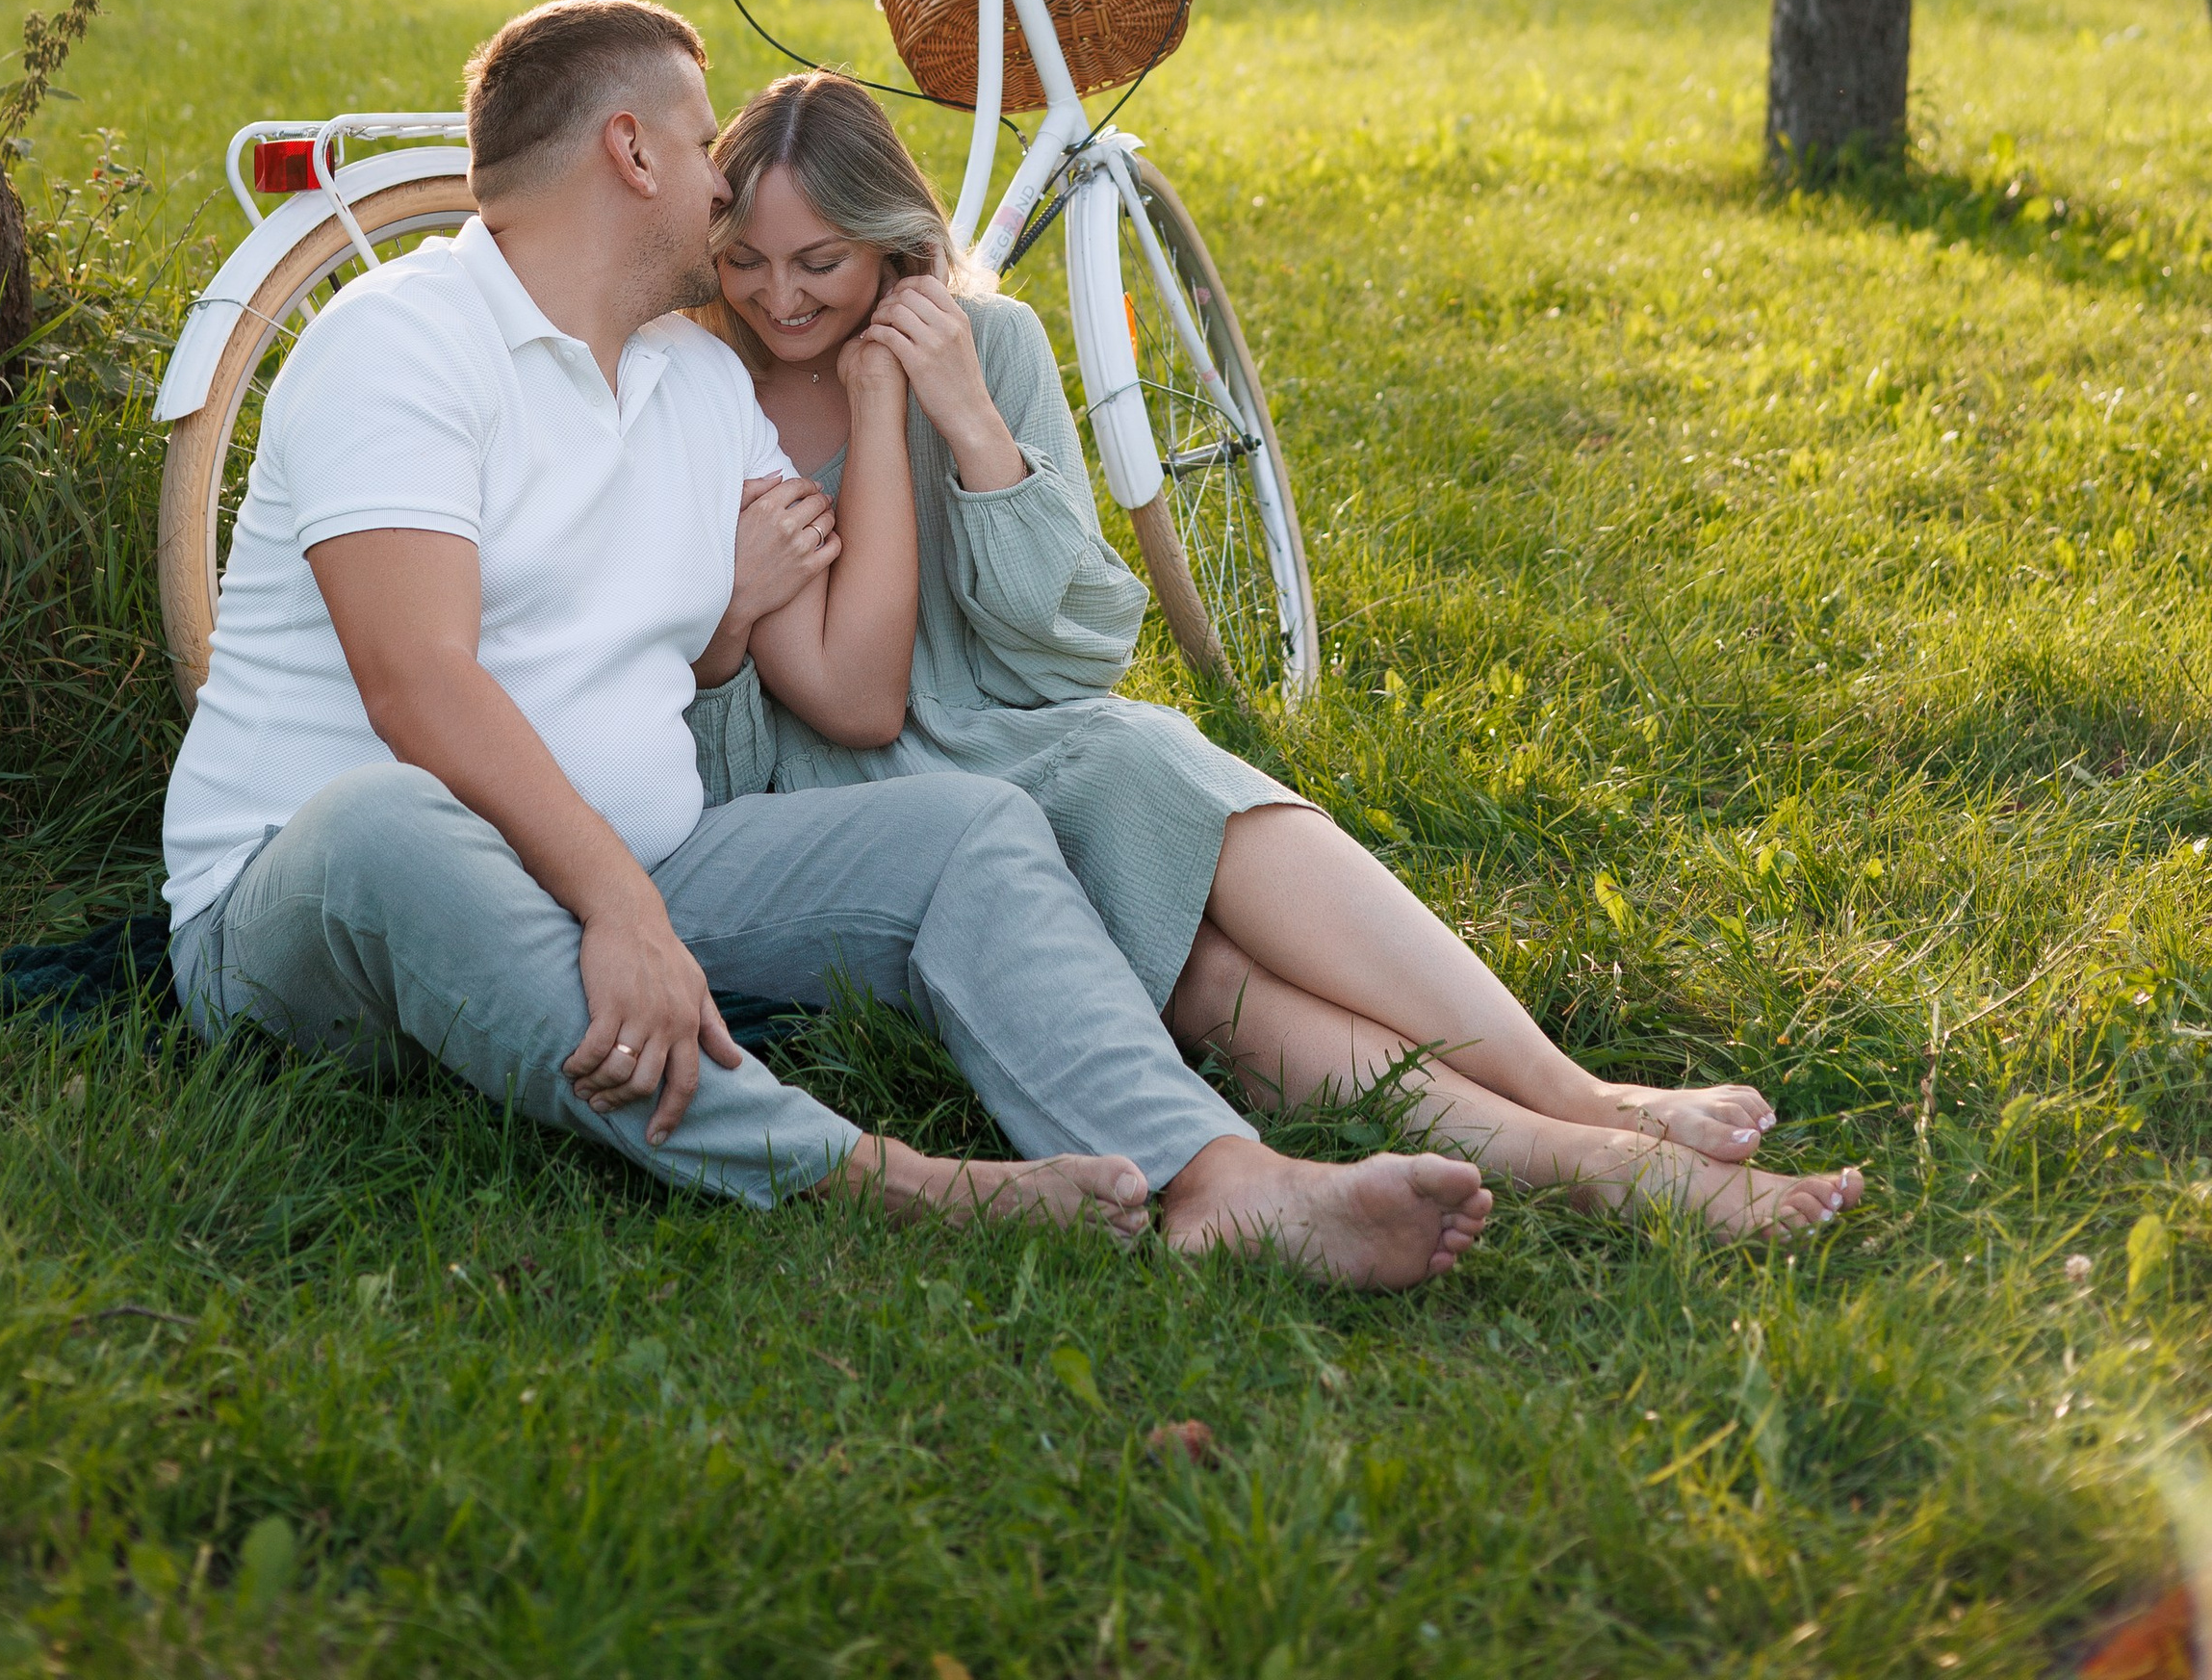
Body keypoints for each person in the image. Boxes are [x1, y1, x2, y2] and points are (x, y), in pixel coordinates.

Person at [161, 0, 1495, 1291]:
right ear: (632, 152)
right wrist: (621, 909)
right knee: (382, 823)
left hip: (646, 872)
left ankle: (1217, 1178)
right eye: (699, 147)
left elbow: (854, 695)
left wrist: (864, 404)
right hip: (323, 907)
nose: (723, 190)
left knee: (964, 827)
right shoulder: (397, 341)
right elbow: (418, 684)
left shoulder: (696, 380)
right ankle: (881, 1181)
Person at [692, 72, 1865, 1243]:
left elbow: (1076, 651)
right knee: (1193, 961)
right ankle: (1584, 1156)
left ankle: (1580, 1100)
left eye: (819, 261)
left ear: (891, 244)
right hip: (839, 791)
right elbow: (770, 697)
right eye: (746, 260)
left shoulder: (986, 340)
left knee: (1147, 758)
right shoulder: (700, 386)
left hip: (1008, 727)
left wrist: (972, 427)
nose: (779, 296)